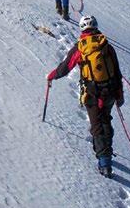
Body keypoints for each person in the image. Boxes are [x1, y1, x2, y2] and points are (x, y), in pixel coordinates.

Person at [46, 15, 124, 177]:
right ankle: (105, 150)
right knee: (105, 120)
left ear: (82, 29)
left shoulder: (80, 48)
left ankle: (104, 163)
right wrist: (119, 94)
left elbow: (65, 67)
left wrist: (51, 76)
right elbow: (116, 72)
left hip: (92, 94)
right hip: (109, 91)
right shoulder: (107, 46)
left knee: (97, 126)